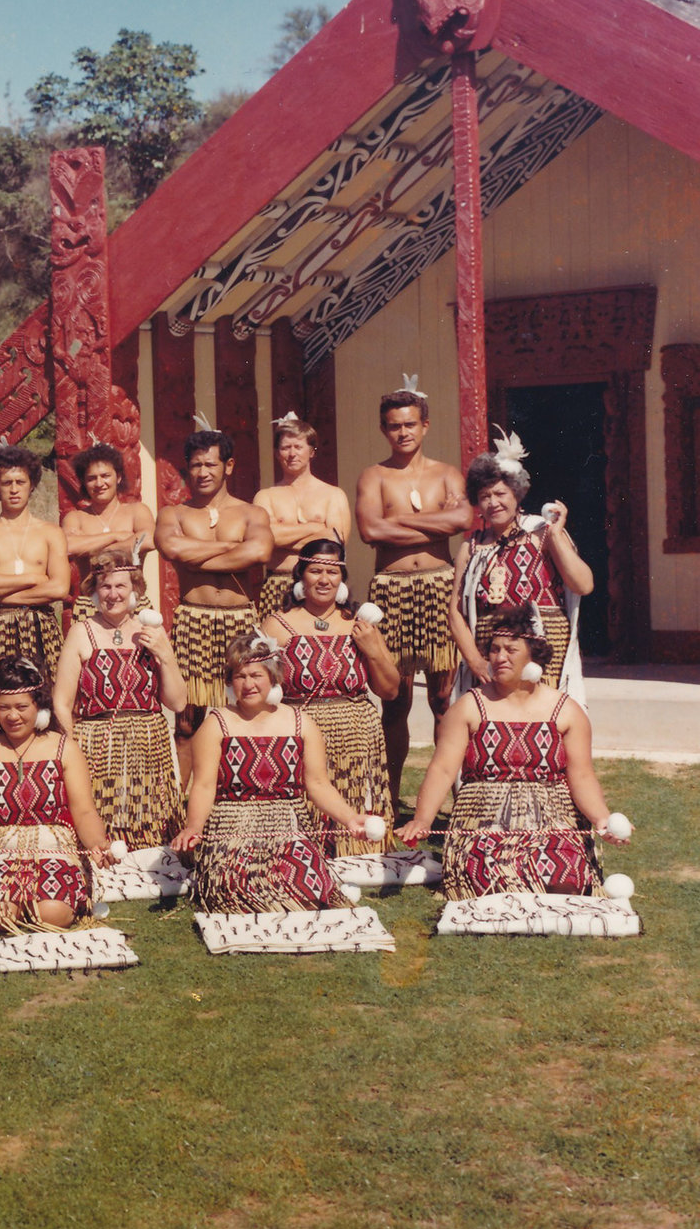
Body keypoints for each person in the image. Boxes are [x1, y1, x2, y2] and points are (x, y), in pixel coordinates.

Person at [398, 605, 617, 897]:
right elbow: (443, 769)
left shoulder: (566, 710)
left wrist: (603, 819)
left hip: (551, 819)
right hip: (484, 818)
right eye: (494, 649)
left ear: (533, 655)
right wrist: (422, 820)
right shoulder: (468, 706)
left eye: (511, 650)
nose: (500, 657)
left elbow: (582, 776)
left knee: (565, 882)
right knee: (491, 883)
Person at [171, 633, 371, 913]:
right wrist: (194, 827)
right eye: (240, 676)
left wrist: (350, 818)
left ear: (273, 677)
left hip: (288, 824)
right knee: (239, 894)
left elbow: (317, 784)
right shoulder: (217, 724)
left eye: (256, 675)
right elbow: (204, 786)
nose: (249, 684)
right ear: (230, 682)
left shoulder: (301, 722)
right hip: (233, 824)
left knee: (307, 891)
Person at [0, 657, 115, 931]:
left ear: (39, 707)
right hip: (0, 850)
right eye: (4, 708)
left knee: (53, 913)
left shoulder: (63, 748)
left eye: (21, 707)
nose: (12, 716)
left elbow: (85, 811)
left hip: (55, 847)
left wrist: (97, 843)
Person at [355, 384, 469, 801]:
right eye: (393, 426)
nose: (402, 433)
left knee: (443, 701)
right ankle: (389, 799)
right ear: (384, 430)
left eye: (409, 425)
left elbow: (462, 519)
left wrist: (399, 521)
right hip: (391, 593)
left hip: (440, 588)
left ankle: (449, 801)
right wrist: (433, 521)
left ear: (425, 425)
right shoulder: (375, 476)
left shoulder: (446, 473)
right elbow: (371, 529)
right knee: (395, 701)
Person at [261, 540, 402, 856]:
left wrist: (373, 649)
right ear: (301, 575)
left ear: (341, 578)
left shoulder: (360, 624)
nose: (324, 579)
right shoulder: (278, 624)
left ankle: (355, 847)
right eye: (315, 571)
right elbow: (262, 689)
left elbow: (390, 690)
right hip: (303, 730)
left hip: (356, 730)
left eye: (332, 571)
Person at [52, 550, 187, 848]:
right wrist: (72, 748)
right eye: (105, 586)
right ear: (95, 591)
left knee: (148, 819)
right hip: (97, 740)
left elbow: (177, 703)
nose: (113, 594)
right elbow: (62, 701)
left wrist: (165, 655)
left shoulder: (151, 631)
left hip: (148, 740)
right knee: (102, 814)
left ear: (135, 590)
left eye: (120, 586)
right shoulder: (81, 632)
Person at [451, 435, 595, 696]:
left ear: (516, 493)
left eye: (500, 493)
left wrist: (555, 535)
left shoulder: (543, 534)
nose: (493, 503)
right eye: (485, 496)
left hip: (544, 654)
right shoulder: (470, 549)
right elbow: (455, 613)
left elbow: (583, 584)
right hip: (491, 656)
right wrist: (474, 660)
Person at [156, 430, 273, 722]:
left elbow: (259, 552)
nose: (203, 472)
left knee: (243, 713)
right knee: (186, 720)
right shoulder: (174, 514)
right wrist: (233, 548)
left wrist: (196, 557)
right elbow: (172, 549)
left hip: (239, 620)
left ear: (228, 466)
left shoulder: (252, 513)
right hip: (193, 622)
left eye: (211, 464)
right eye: (196, 465)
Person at [0, 445, 71, 712]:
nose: (14, 489)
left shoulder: (50, 532)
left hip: (40, 624)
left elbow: (59, 587)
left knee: (45, 705)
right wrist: (35, 577)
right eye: (6, 482)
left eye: (20, 482)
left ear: (31, 484)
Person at [252, 415, 352, 620]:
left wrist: (281, 536)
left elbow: (334, 543)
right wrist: (315, 528)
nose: (291, 454)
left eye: (298, 447)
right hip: (277, 585)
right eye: (285, 447)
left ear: (312, 451)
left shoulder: (333, 494)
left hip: (321, 586)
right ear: (277, 453)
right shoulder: (265, 496)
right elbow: (264, 541)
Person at [60, 445, 156, 621]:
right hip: (89, 606)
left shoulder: (137, 511)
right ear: (84, 482)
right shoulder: (76, 517)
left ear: (118, 477)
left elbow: (148, 540)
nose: (99, 483)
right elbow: (67, 547)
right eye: (91, 478)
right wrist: (115, 536)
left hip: (134, 604)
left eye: (105, 476)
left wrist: (93, 550)